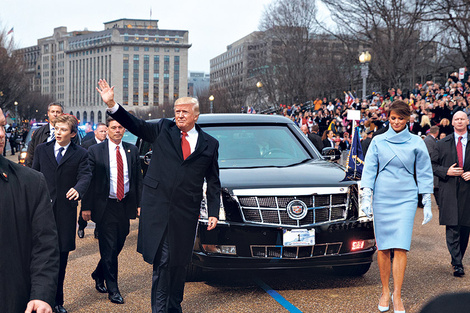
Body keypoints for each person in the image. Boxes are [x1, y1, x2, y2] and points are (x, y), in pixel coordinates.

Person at [96, 79, 221, 313]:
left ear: (196, 115)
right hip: (159, 208)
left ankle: (174, 306)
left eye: (184, 112)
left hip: (186, 212)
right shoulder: (163, 128)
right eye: (177, 112)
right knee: (162, 262)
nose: (180, 116)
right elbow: (135, 124)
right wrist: (112, 104)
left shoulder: (210, 144)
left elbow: (213, 181)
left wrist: (213, 212)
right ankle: (160, 309)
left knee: (180, 263)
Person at [361, 100, 434, 313]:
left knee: (401, 246)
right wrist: (366, 196)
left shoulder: (416, 142)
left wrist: (427, 200)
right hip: (382, 197)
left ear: (408, 119)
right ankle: (385, 291)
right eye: (393, 118)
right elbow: (369, 170)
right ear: (388, 117)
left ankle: (397, 295)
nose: (396, 122)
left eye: (400, 118)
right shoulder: (377, 141)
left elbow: (424, 171)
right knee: (383, 247)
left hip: (406, 198)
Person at [0, 107, 60, 313]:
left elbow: (44, 245)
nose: (1, 134)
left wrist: (41, 295)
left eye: (2, 125)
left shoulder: (31, 182)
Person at [32, 114, 92, 313]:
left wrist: (78, 188)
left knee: (61, 259)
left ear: (73, 134)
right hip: (42, 212)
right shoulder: (42, 150)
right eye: (56, 129)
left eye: (63, 130)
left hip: (65, 214)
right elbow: (34, 175)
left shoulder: (81, 154)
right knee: (39, 257)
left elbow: (85, 175)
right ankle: (37, 298)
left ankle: (57, 301)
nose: (58, 132)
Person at [81, 118, 142, 304]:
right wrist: (86, 207)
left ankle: (99, 273)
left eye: (120, 127)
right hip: (105, 204)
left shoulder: (132, 150)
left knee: (119, 242)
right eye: (113, 127)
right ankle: (113, 289)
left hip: (124, 204)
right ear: (107, 130)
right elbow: (88, 180)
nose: (117, 130)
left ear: (124, 130)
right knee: (108, 247)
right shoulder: (95, 151)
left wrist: (140, 204)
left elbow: (138, 180)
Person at [431, 111, 470, 277]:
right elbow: (431, 165)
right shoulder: (442, 143)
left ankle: (458, 257)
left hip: (468, 191)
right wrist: (446, 171)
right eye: (456, 119)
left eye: (462, 118)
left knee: (465, 228)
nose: (459, 121)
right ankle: (457, 263)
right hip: (449, 189)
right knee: (452, 226)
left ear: (467, 121)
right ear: (452, 123)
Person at [78, 122, 108, 239]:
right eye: (101, 131)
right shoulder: (86, 145)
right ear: (95, 132)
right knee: (86, 207)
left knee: (101, 208)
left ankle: (98, 229)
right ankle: (81, 226)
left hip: (103, 180)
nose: (104, 133)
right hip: (90, 179)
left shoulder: (108, 144)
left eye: (105, 131)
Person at [26, 103, 64, 167]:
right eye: (52, 112)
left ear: (62, 114)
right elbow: (31, 156)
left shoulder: (69, 133)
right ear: (48, 114)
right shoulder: (38, 133)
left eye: (58, 112)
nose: (55, 114)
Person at [424, 126, 440, 204]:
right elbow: (430, 153)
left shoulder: (430, 139)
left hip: (430, 164)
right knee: (434, 185)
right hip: (430, 165)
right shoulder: (429, 140)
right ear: (437, 132)